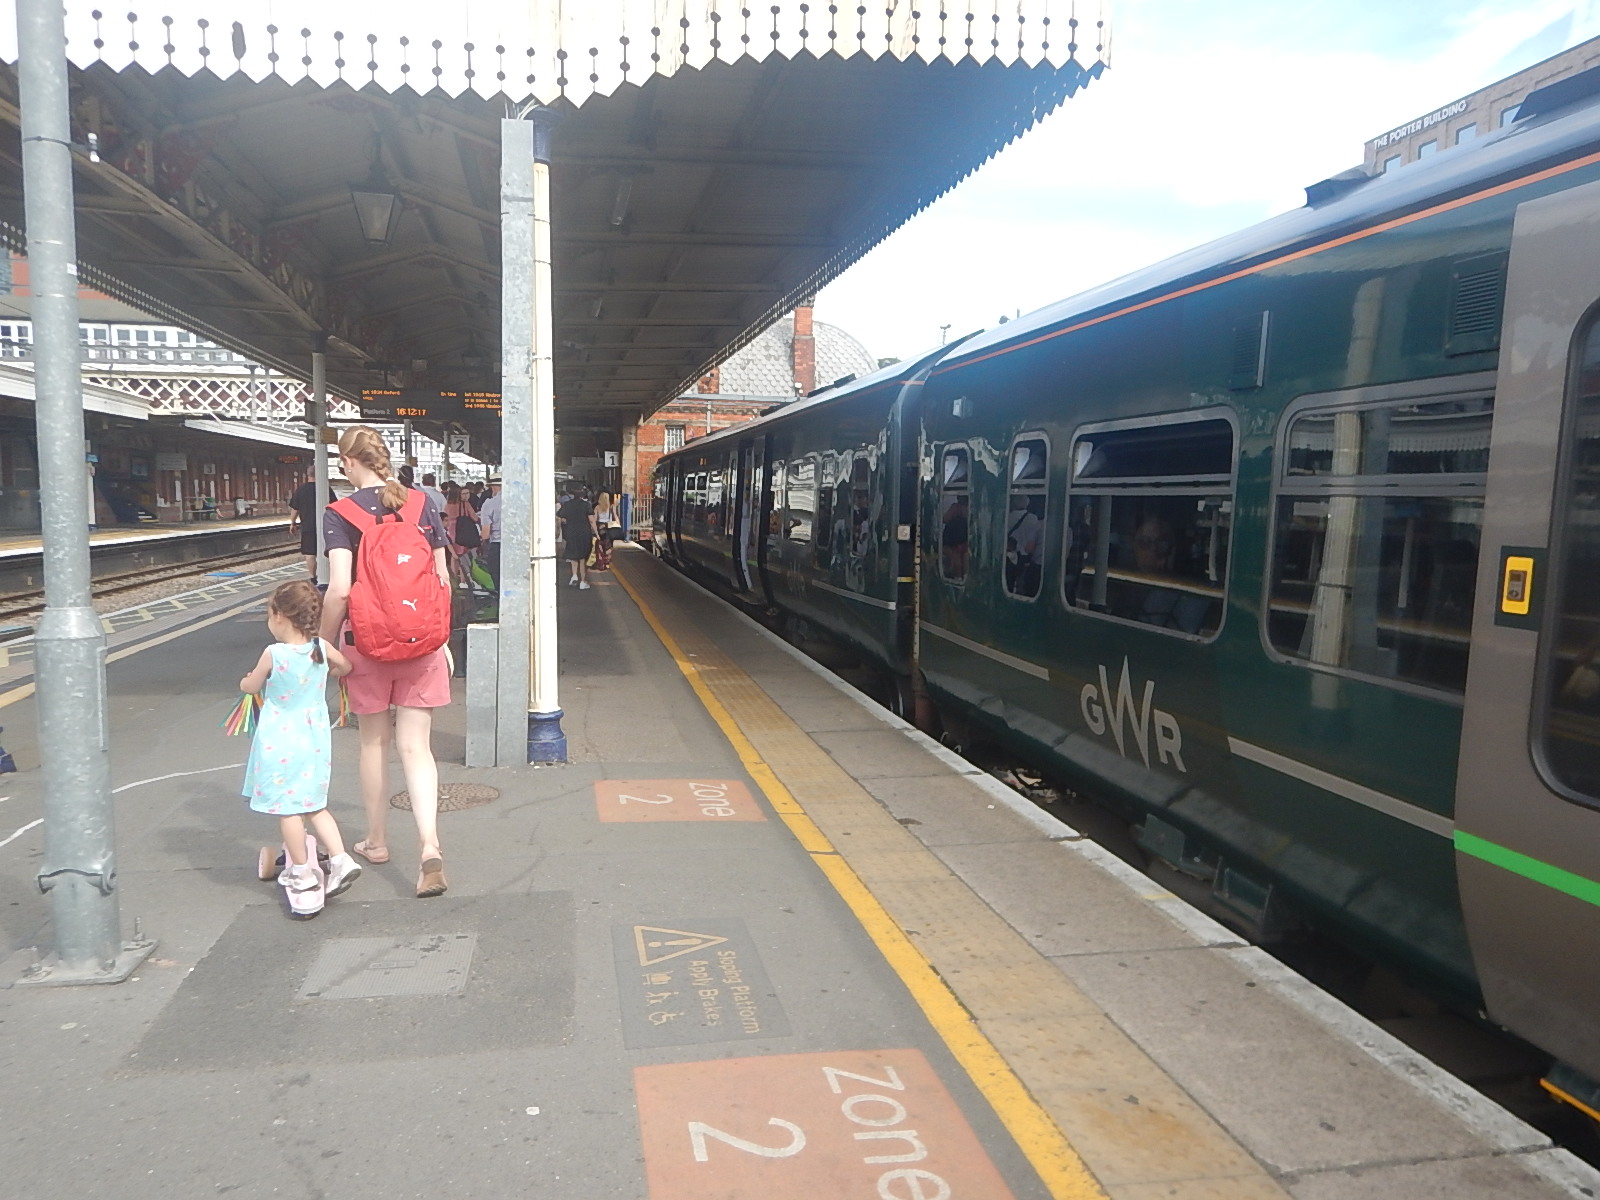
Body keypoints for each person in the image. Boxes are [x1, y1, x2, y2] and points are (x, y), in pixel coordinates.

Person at [318, 426, 453, 899]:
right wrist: (438, 636)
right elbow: (442, 578)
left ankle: (376, 841)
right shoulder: (421, 503)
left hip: (366, 645)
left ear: (349, 462)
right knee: (417, 748)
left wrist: (323, 644)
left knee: (374, 744)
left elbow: (339, 590)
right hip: (423, 643)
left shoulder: (340, 514)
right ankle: (429, 845)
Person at [240, 580, 361, 900]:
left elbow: (252, 687)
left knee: (289, 809)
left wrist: (245, 682)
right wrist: (330, 673)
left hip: (281, 740)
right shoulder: (321, 648)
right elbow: (346, 666)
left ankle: (302, 872)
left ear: (280, 616)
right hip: (314, 739)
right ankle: (341, 859)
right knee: (315, 805)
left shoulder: (274, 653)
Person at [559, 484, 598, 589]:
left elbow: (560, 517)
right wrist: (597, 533)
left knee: (573, 555)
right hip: (584, 533)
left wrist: (566, 523)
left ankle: (574, 576)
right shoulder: (586, 505)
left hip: (571, 532)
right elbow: (591, 520)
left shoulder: (567, 504)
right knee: (582, 557)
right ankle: (583, 581)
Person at [443, 480, 480, 588]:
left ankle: (454, 578)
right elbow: (474, 517)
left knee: (454, 556)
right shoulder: (465, 504)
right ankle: (464, 579)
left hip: (451, 531)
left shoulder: (448, 505)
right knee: (464, 556)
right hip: (463, 531)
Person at [288, 472, 320, 578]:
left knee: (310, 554)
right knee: (326, 552)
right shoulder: (324, 488)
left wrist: (292, 523)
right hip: (324, 526)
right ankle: (328, 576)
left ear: (308, 475)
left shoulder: (300, 490)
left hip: (307, 526)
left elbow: (295, 509)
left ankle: (313, 577)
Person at [477, 476, 503, 592]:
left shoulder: (489, 504)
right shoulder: (519, 502)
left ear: (494, 487)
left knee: (497, 578)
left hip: (497, 545)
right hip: (517, 546)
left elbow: (486, 534)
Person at [592, 489, 617, 570]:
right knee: (609, 546)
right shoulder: (611, 507)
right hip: (609, 528)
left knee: (600, 545)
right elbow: (616, 518)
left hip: (600, 528)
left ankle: (601, 562)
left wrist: (595, 528)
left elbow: (594, 519)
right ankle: (607, 562)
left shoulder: (597, 507)